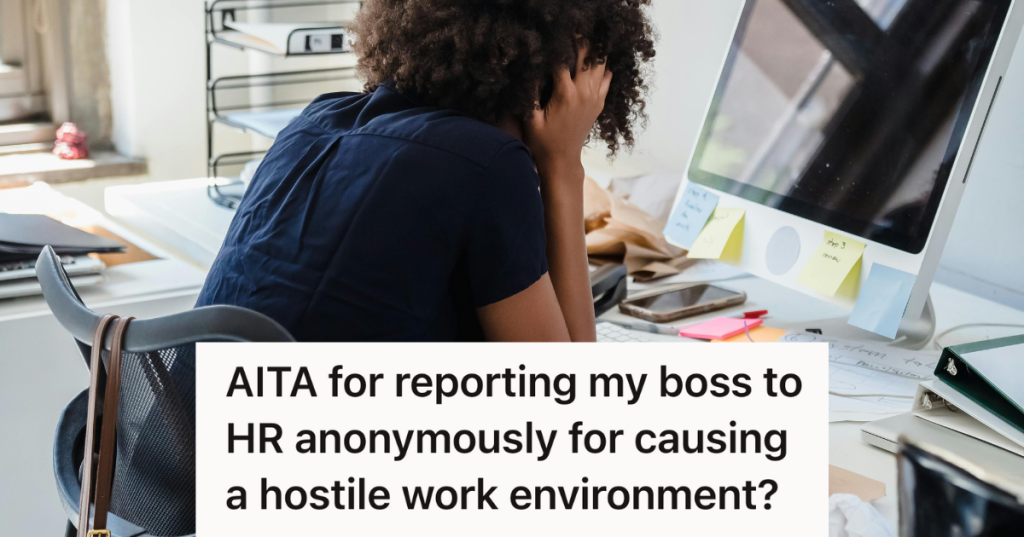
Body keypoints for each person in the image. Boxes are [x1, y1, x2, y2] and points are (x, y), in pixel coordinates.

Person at [196, 0, 656, 342]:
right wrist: (562, 164)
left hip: (181, 459)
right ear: (546, 81)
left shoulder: (315, 121)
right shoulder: (488, 164)